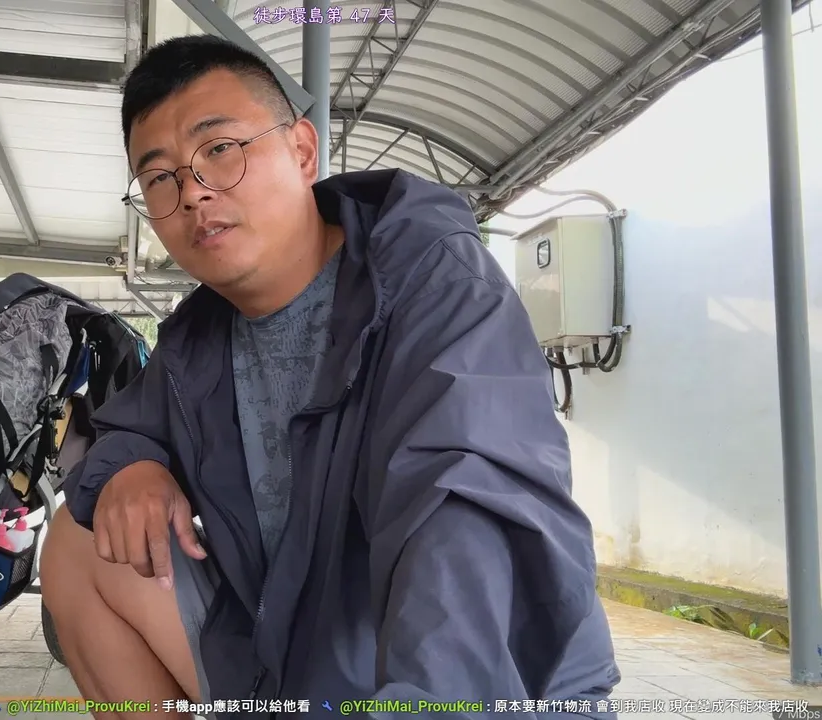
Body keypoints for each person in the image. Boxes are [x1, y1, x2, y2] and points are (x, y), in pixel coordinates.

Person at [39, 34, 619, 718]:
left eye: (219, 148)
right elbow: (124, 431)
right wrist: (135, 466)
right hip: (286, 661)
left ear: (303, 150)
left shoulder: (433, 284)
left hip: (460, 678)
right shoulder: (196, 337)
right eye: (160, 178)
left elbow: (464, 505)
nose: (193, 192)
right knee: (79, 541)